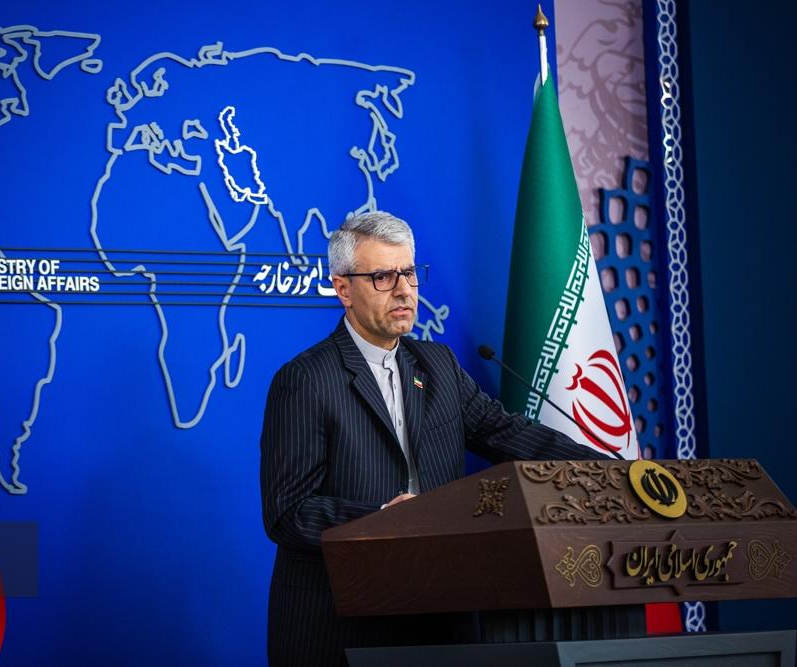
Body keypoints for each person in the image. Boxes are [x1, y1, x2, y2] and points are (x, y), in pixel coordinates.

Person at [259, 211, 608, 666]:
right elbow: (287, 513)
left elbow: (506, 432)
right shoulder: (305, 380)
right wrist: (382, 519)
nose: (404, 290)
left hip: (438, 612)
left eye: (409, 273)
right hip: (340, 621)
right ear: (343, 289)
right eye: (383, 277)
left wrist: (610, 473)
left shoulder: (437, 364)